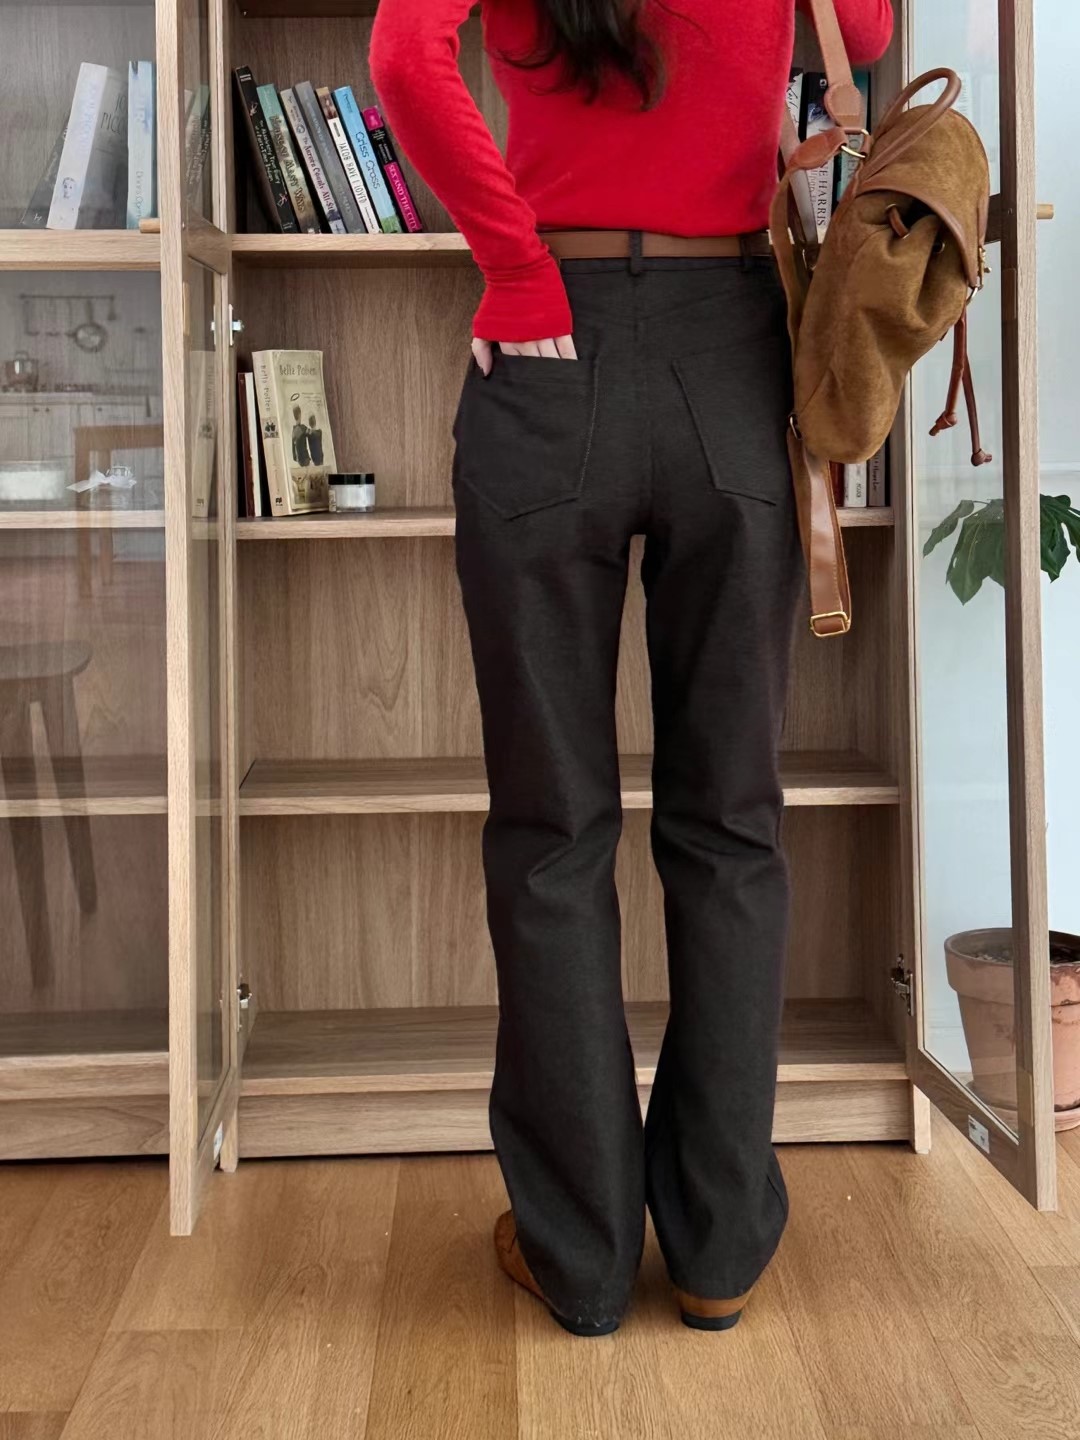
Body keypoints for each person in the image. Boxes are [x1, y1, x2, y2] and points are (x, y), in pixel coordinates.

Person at [370, 0, 893, 1338]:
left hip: (552, 342)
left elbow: (404, 55)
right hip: (736, 351)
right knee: (733, 826)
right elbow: (869, 30)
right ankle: (716, 1246)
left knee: (552, 832)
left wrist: (514, 267)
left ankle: (583, 1254)